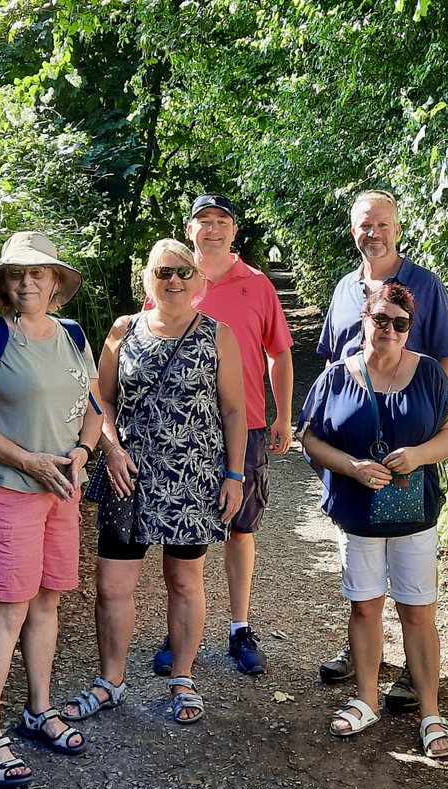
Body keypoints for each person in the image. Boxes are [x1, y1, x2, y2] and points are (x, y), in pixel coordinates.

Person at [61, 238, 247, 725]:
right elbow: (100, 401)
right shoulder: (123, 331)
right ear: (148, 278)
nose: (175, 281)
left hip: (194, 480)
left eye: (184, 272)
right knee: (111, 585)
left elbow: (233, 409)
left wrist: (234, 474)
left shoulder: (217, 335)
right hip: (129, 476)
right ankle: (111, 682)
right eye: (164, 272)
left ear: (199, 281)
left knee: (184, 580)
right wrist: (112, 450)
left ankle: (182, 679)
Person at [0, 231, 102, 789]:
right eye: (16, 274)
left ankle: (38, 710)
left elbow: (94, 406)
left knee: (46, 603)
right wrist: (29, 461)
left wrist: (82, 453)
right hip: (3, 490)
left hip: (60, 488)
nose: (27, 281)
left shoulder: (73, 335)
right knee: (8, 611)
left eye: (38, 273)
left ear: (56, 282)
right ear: (4, 284)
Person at [315, 189, 448, 710]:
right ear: (352, 230)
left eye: (381, 223)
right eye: (363, 224)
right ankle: (365, 667)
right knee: (362, 578)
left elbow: (442, 360)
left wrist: (420, 430)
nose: (372, 232)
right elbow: (335, 365)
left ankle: (408, 677)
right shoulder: (342, 290)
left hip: (408, 457)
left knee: (413, 583)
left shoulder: (423, 284)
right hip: (357, 459)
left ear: (397, 228)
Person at [300, 283, 448, 758]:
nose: (389, 330)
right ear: (363, 321)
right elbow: (309, 438)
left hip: (415, 513)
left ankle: (431, 711)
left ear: (409, 328)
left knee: (417, 611)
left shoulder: (429, 373)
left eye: (400, 323)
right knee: (365, 607)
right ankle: (366, 699)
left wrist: (418, 454)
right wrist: (351, 467)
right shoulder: (335, 376)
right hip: (356, 513)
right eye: (381, 320)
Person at [148, 194, 293, 676]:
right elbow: (147, 343)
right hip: (184, 427)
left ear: (234, 231)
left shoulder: (257, 284)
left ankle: (239, 627)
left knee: (240, 525)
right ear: (191, 230)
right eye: (203, 221)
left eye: (222, 221)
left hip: (246, 421)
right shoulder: (173, 278)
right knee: (184, 532)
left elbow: (280, 352)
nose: (213, 229)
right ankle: (179, 629)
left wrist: (282, 414)